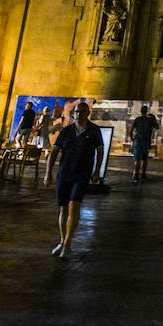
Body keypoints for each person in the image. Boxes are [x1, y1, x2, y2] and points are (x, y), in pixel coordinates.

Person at [44, 101, 103, 258]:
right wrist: (48, 173)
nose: (78, 115)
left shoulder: (94, 131)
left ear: (87, 114)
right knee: (63, 208)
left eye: (82, 112)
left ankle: (68, 243)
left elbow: (100, 151)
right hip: (64, 173)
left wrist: (97, 171)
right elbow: (54, 152)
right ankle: (63, 241)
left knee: (74, 206)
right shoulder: (66, 131)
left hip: (81, 174)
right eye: (76, 112)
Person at [129, 105, 155, 182]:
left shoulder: (137, 119)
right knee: (144, 159)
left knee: (137, 159)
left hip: (137, 140)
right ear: (147, 111)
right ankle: (143, 175)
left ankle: (135, 176)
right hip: (145, 141)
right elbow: (156, 127)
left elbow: (131, 130)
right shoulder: (149, 120)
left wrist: (132, 139)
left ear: (140, 111)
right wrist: (153, 118)